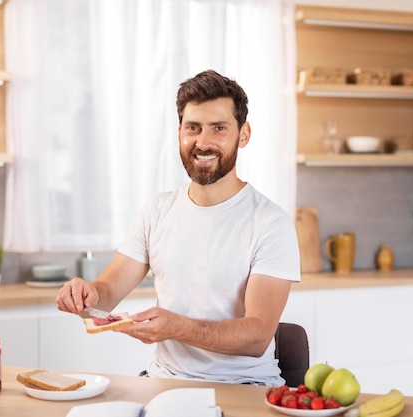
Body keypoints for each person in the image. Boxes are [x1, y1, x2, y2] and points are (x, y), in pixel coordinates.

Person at [55, 69, 300, 385]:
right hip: (165, 381)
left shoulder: (270, 222)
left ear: (244, 134)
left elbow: (257, 335)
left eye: (219, 128)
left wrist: (178, 327)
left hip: (243, 387)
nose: (203, 142)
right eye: (193, 128)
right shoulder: (158, 211)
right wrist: (84, 295)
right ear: (180, 132)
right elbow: (106, 294)